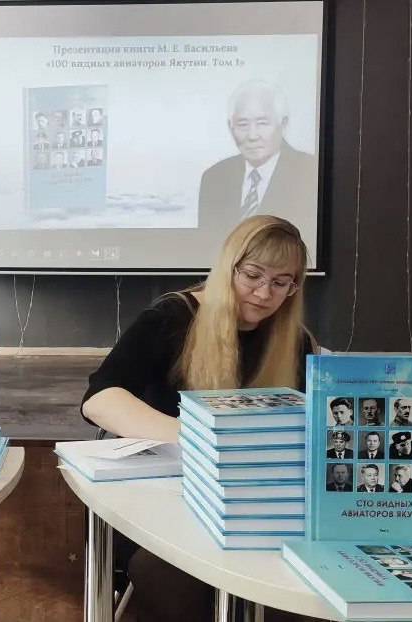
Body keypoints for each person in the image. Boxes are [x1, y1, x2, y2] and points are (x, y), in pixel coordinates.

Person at [81, 216, 315, 622]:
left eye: (281, 283)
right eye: (253, 276)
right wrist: (204, 438)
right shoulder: (170, 317)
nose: (264, 294)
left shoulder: (294, 340)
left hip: (256, 509)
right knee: (176, 580)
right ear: (229, 267)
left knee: (300, 587)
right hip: (165, 503)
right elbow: (99, 399)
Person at [197, 80, 317, 233]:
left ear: (283, 124)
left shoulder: (310, 172)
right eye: (243, 124)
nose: (252, 135)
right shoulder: (214, 177)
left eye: (262, 123)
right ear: (230, 127)